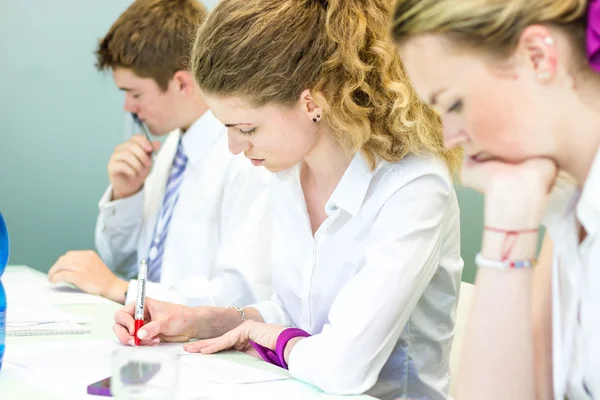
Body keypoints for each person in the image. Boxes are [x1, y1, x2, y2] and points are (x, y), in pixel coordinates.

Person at [112, 0, 464, 399]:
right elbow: (296, 314)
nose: (233, 146)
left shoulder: (413, 187)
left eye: (246, 127)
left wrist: (272, 339)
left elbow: (343, 368)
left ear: (312, 103)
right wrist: (202, 320)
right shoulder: (288, 172)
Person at [391, 1, 600, 399]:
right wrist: (509, 213)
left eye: (454, 104)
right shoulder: (567, 212)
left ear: (539, 56)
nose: (449, 136)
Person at [47, 0, 272, 308]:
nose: (128, 107)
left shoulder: (247, 158)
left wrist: (125, 291)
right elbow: (126, 263)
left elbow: (239, 295)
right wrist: (127, 195)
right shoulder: (173, 148)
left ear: (181, 83)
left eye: (135, 93)